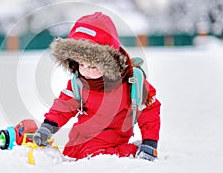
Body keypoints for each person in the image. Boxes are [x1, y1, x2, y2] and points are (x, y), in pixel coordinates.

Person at [33, 12, 161, 161]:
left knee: (94, 155)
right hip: (81, 135)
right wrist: (48, 126)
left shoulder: (130, 82)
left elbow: (149, 110)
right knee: (72, 153)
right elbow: (64, 106)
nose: (86, 70)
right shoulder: (79, 83)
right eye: (81, 64)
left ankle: (132, 151)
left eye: (93, 66)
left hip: (112, 135)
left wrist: (150, 142)